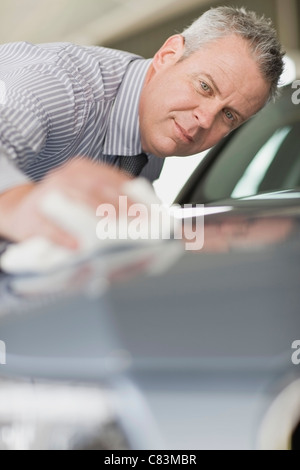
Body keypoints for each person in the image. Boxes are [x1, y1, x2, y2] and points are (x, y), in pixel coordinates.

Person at [0, 6, 284, 249]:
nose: (206, 119)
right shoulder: (61, 87)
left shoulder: (155, 128)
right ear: (167, 55)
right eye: (205, 86)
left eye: (229, 115)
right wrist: (15, 203)